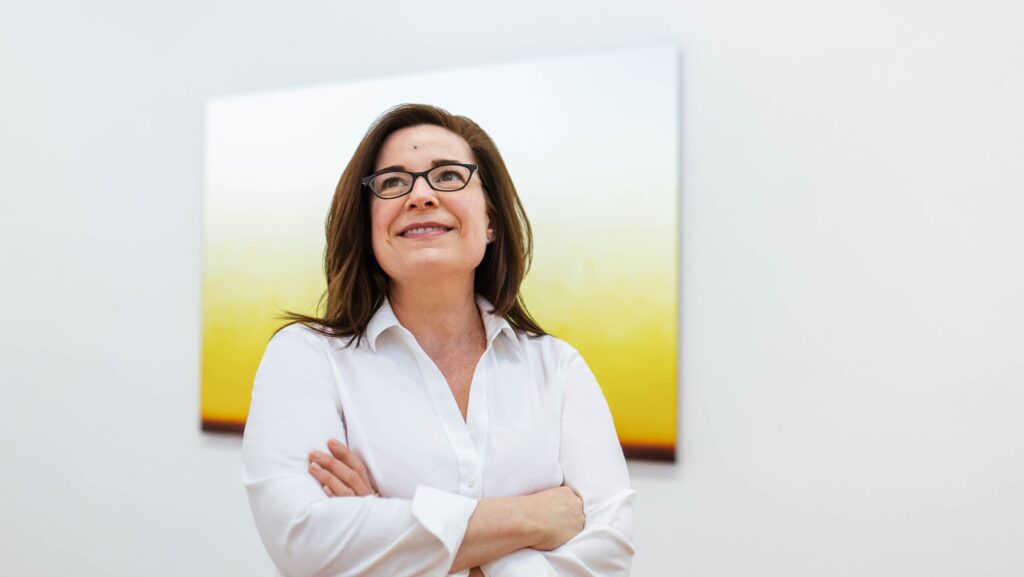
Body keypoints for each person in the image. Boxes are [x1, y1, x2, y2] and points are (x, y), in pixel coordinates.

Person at [241, 103, 635, 577]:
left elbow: (609, 555)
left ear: (490, 220)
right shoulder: (306, 357)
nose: (421, 196)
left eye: (448, 176)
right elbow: (303, 539)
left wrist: (393, 535)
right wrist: (534, 519)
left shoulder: (558, 369)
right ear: (368, 227)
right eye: (391, 182)